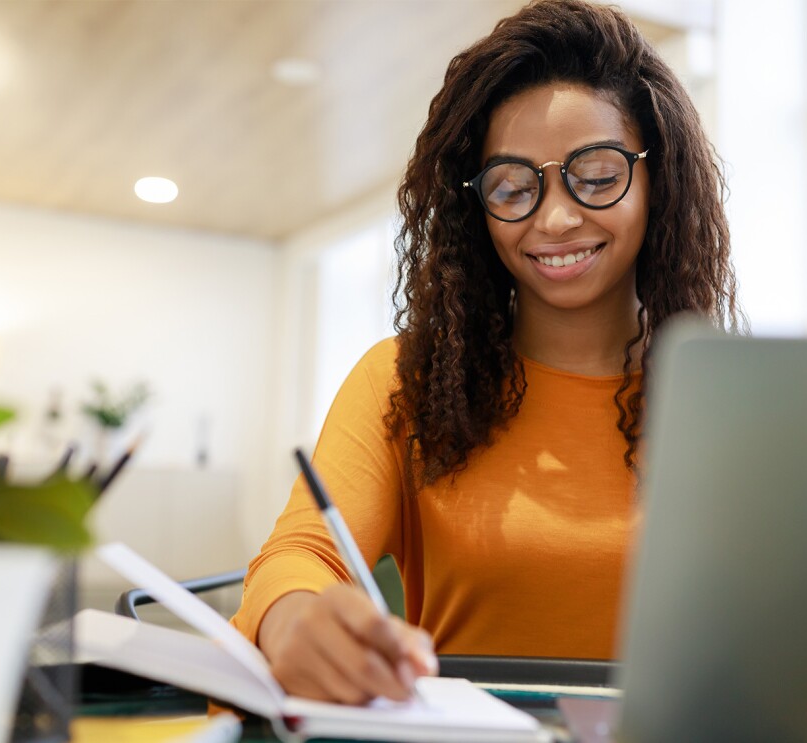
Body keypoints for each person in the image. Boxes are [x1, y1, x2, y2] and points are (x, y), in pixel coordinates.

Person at [229, 0, 743, 705]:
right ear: (477, 206)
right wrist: (294, 621)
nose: (555, 217)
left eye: (597, 175)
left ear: (662, 180)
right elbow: (299, 555)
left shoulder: (734, 402)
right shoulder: (406, 380)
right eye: (512, 187)